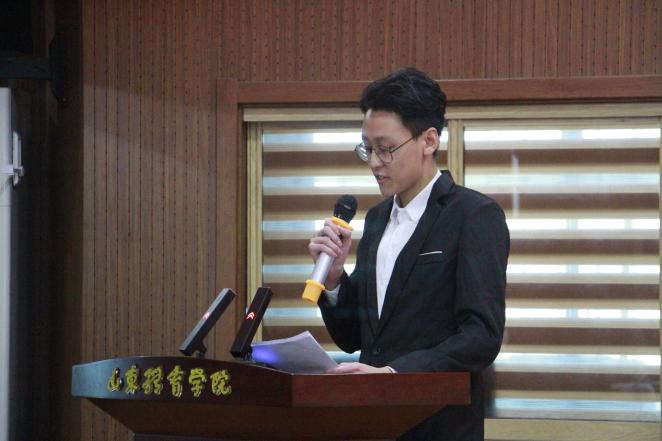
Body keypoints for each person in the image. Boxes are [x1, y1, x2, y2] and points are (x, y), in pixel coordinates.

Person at [308, 67, 510, 441]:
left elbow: (481, 336)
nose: (374, 162)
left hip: (440, 427)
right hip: (373, 426)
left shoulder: (473, 215)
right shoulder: (377, 219)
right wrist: (334, 279)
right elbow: (354, 338)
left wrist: (394, 375)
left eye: (385, 148)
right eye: (367, 148)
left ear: (428, 140)